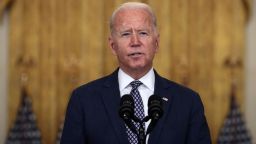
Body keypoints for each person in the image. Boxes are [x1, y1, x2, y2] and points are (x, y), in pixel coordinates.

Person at [60, 2, 211, 144]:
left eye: (143, 33)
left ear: (156, 43)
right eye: (126, 34)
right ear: (113, 46)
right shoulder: (83, 100)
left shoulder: (188, 102)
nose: (135, 41)